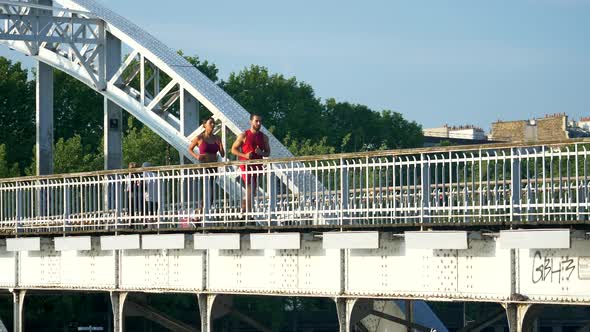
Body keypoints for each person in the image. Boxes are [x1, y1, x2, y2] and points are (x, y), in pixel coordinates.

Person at [231, 114, 271, 215]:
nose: (259, 123)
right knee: (250, 186)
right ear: (251, 122)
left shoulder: (264, 137)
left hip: (257, 166)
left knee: (252, 190)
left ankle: (243, 211)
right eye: (256, 121)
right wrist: (244, 155)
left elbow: (268, 152)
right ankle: (249, 212)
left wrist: (260, 153)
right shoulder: (244, 135)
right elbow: (233, 149)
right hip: (246, 165)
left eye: (260, 121)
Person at [188, 117, 225, 221]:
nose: (213, 125)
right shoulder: (200, 138)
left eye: (213, 123)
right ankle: (199, 214)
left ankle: (202, 213)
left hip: (213, 166)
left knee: (212, 191)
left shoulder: (217, 138)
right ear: (204, 125)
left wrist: (220, 145)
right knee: (206, 190)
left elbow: (222, 154)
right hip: (204, 165)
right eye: (210, 123)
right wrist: (196, 156)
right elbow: (190, 148)